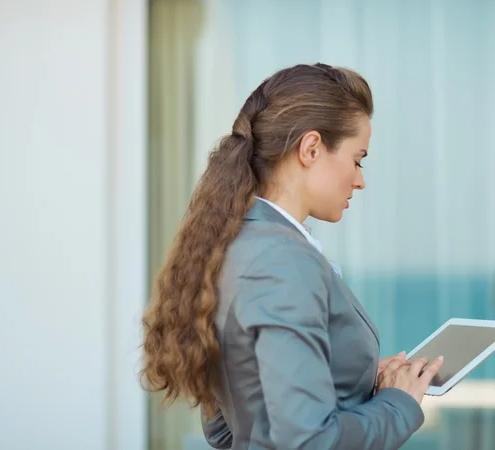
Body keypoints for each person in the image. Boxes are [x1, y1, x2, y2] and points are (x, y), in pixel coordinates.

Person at [141, 63, 444, 449]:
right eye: (357, 159)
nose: (360, 179)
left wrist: (356, 387)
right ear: (311, 148)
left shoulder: (234, 244)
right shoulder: (282, 261)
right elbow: (308, 442)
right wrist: (398, 405)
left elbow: (224, 428)